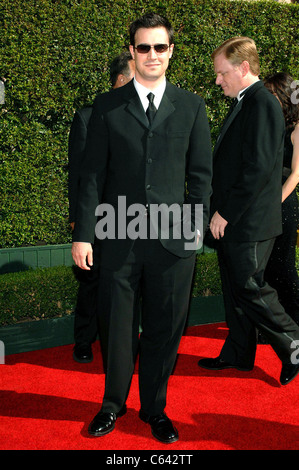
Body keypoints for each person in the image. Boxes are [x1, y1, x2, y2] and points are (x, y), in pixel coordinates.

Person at [72, 12, 212, 443]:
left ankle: (155, 409)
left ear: (171, 51)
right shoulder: (107, 107)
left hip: (173, 242)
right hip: (118, 238)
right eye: (144, 47)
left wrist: (193, 228)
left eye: (160, 47)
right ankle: (113, 404)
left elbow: (202, 176)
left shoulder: (191, 106)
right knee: (116, 328)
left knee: (164, 328)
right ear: (131, 52)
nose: (153, 54)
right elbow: (92, 174)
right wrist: (83, 234)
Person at [198, 37, 299, 386]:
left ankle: (294, 346)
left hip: (250, 222)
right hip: (237, 221)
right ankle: (239, 354)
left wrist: (225, 212)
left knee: (251, 286)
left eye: (222, 72)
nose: (217, 80)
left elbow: (256, 169)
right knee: (235, 288)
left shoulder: (261, 104)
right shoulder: (247, 101)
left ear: (243, 68)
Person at [68, 51, 135, 363]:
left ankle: (124, 340)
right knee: (91, 282)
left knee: (129, 282)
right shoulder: (86, 116)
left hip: (131, 218)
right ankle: (84, 339)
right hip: (96, 218)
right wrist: (77, 220)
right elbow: (80, 175)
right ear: (120, 81)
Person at [263, 73, 299, 326]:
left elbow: (296, 174)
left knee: (283, 268)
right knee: (267, 270)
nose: (268, 99)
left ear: (286, 97)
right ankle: (276, 322)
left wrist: (273, 205)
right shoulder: (270, 123)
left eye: (272, 94)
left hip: (283, 203)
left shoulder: (297, 128)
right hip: (267, 202)